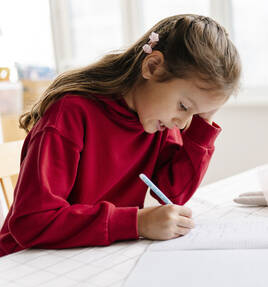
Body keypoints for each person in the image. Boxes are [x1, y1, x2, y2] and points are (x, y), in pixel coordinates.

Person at [0, 14, 241, 256]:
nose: (182, 123)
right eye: (184, 107)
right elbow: (32, 222)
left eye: (194, 114)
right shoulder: (71, 114)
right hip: (23, 263)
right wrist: (136, 223)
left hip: (85, 256)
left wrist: (204, 122)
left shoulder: (157, 121)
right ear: (152, 67)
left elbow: (172, 194)